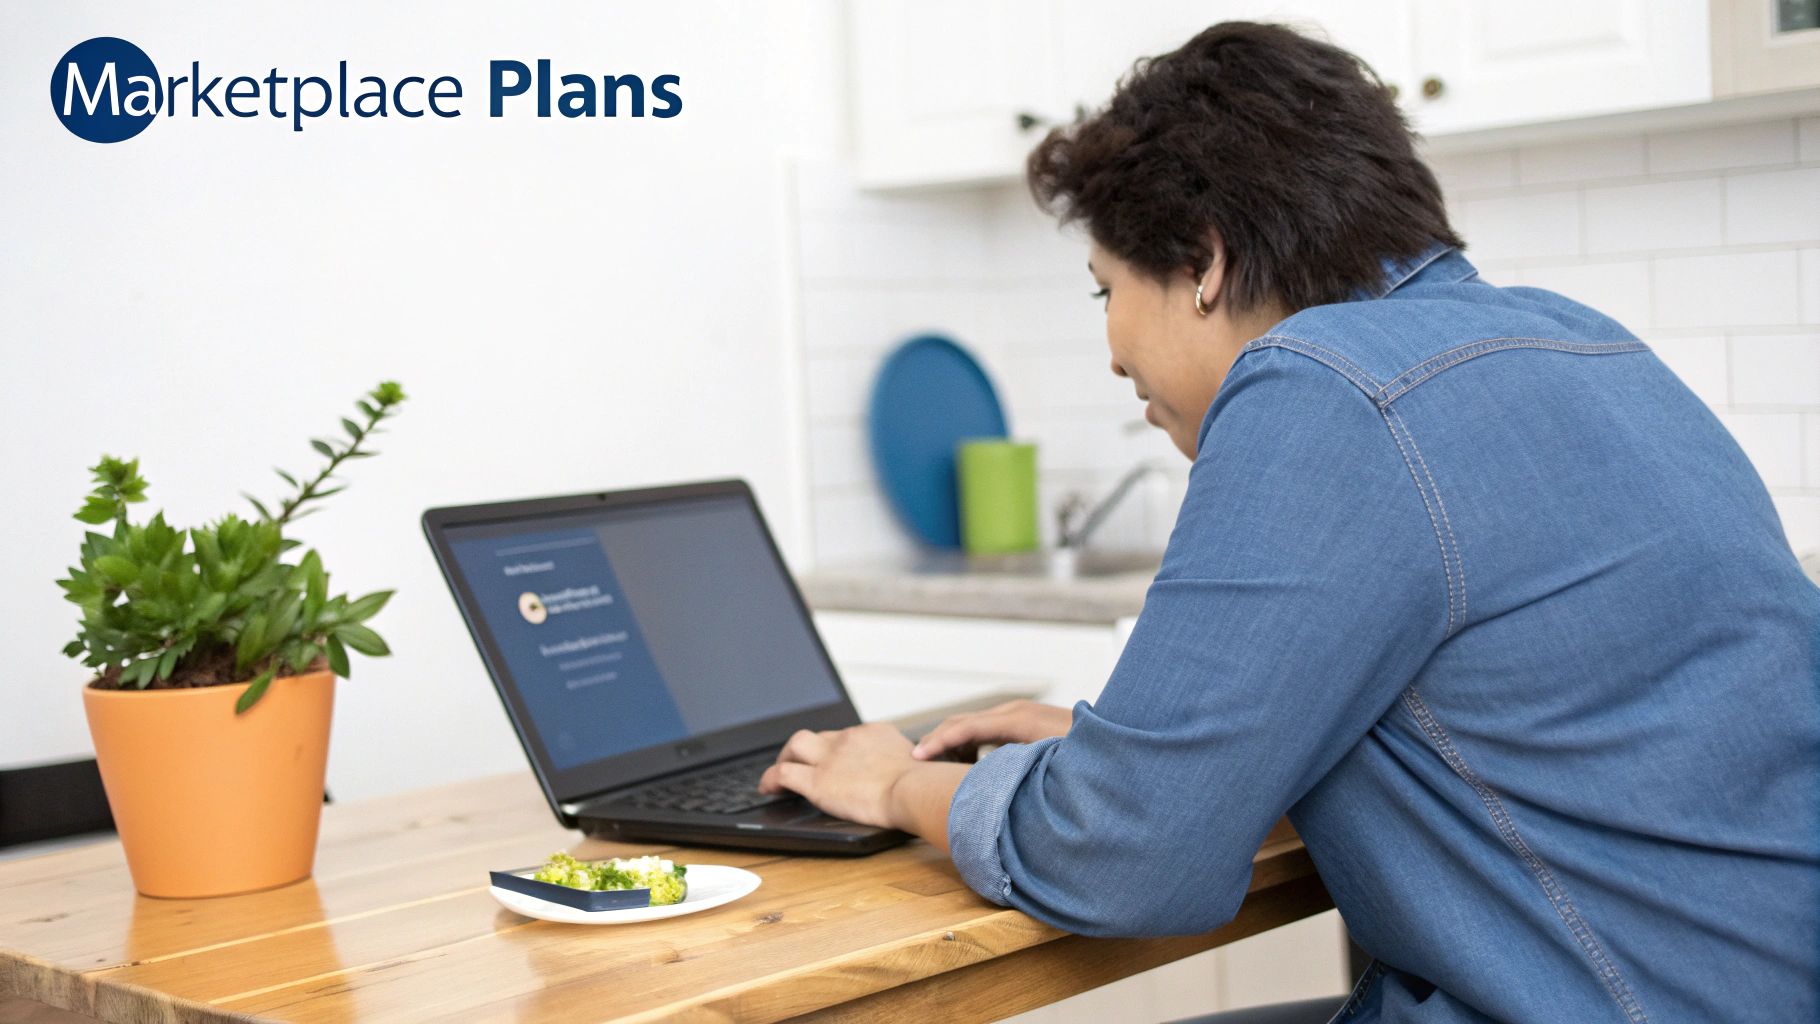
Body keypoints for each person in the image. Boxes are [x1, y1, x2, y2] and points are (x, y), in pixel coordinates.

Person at [758, 21, 1820, 1024]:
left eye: (1103, 293)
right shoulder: (1580, 342)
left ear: (1203, 261)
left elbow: (1117, 857)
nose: (1114, 352)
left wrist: (898, 782)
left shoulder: (1320, 384)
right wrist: (1125, 754)